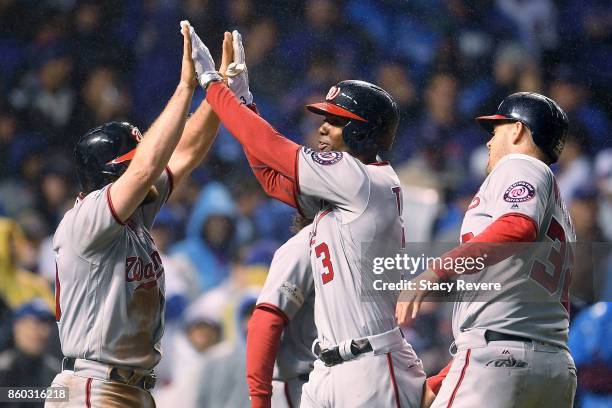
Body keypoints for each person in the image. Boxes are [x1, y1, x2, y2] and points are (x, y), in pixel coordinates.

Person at [190, 27, 426, 407]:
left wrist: (212, 85)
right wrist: (243, 100)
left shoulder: (361, 180)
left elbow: (269, 146)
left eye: (336, 121)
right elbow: (271, 177)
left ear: (362, 132)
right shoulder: (348, 191)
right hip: (330, 369)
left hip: (370, 368)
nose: (323, 127)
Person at [46, 22, 238, 407]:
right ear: (111, 176)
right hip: (92, 385)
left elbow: (182, 153)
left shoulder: (134, 216)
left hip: (130, 387)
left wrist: (220, 92)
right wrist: (185, 87)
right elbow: (147, 166)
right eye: (131, 161)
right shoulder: (87, 220)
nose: (146, 162)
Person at [397, 92, 577, 408]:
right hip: (553, 368)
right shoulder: (561, 210)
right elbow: (516, 319)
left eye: (496, 131)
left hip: (500, 363)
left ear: (518, 130)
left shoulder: (521, 164)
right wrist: (444, 380)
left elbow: (518, 226)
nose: (489, 143)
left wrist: (435, 270)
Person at [247, 218, 316, 408]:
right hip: (304, 386)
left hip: (354, 381)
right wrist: (260, 401)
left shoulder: (365, 245)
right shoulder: (304, 245)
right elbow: (265, 323)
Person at [0, 299, 60, 402]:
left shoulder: (55, 372)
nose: (42, 331)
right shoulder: (4, 368)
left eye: (47, 324)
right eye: (36, 323)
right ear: (18, 327)